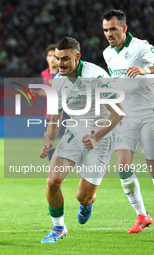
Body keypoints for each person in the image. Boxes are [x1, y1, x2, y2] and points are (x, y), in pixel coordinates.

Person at [40, 37, 124, 243]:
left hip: (102, 135)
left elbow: (118, 113)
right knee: (53, 182)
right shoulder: (58, 80)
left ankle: (87, 203)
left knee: (82, 197)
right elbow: (56, 116)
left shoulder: (96, 76)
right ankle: (58, 228)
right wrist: (49, 138)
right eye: (58, 59)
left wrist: (96, 137)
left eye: (65, 59)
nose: (60, 64)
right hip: (75, 131)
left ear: (77, 57)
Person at [102, 9, 154, 233]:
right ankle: (142, 215)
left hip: (149, 113)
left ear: (124, 28)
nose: (108, 34)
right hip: (126, 116)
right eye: (105, 30)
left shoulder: (141, 47)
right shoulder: (107, 53)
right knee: (123, 166)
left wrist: (143, 70)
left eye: (112, 29)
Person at [31, 44, 61, 160]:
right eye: (50, 55)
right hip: (49, 113)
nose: (52, 58)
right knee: (48, 140)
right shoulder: (44, 74)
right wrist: (36, 94)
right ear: (46, 58)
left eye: (55, 56)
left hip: (65, 113)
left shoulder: (64, 73)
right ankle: (55, 170)